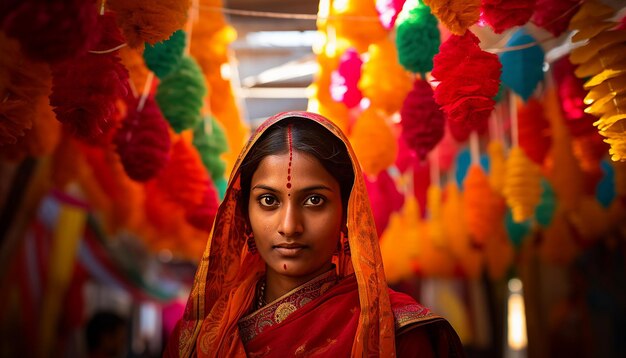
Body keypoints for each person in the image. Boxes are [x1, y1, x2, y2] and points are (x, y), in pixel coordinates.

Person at [164, 111, 464, 357]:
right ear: (244, 214)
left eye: (314, 200)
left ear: (348, 212)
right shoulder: (199, 337)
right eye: (269, 201)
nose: (289, 226)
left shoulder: (400, 334)